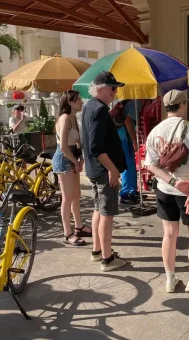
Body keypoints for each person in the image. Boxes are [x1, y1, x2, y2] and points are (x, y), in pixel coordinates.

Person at [145, 89, 189, 302]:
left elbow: (151, 166)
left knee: (169, 234)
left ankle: (170, 279)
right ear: (182, 105)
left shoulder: (155, 131)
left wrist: (172, 181)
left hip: (165, 188)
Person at [81, 71, 127, 272]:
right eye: (113, 88)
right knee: (107, 213)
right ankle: (107, 259)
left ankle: (97, 250)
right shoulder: (98, 109)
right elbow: (96, 147)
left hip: (95, 169)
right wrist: (113, 169)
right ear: (102, 89)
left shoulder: (89, 106)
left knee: (99, 210)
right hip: (103, 170)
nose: (115, 92)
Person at [52, 90, 92, 246]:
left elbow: (77, 141)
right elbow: (63, 146)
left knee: (76, 195)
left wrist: (80, 158)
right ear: (69, 102)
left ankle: (79, 226)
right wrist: (75, 161)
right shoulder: (64, 119)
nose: (81, 101)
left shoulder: (74, 118)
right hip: (64, 159)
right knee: (67, 197)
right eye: (78, 99)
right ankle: (67, 233)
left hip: (73, 156)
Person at [117, 99, 143, 204]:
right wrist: (134, 140)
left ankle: (132, 190)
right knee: (127, 165)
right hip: (123, 136)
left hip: (124, 136)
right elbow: (127, 121)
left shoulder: (132, 103)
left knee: (131, 164)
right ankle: (126, 193)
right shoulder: (136, 103)